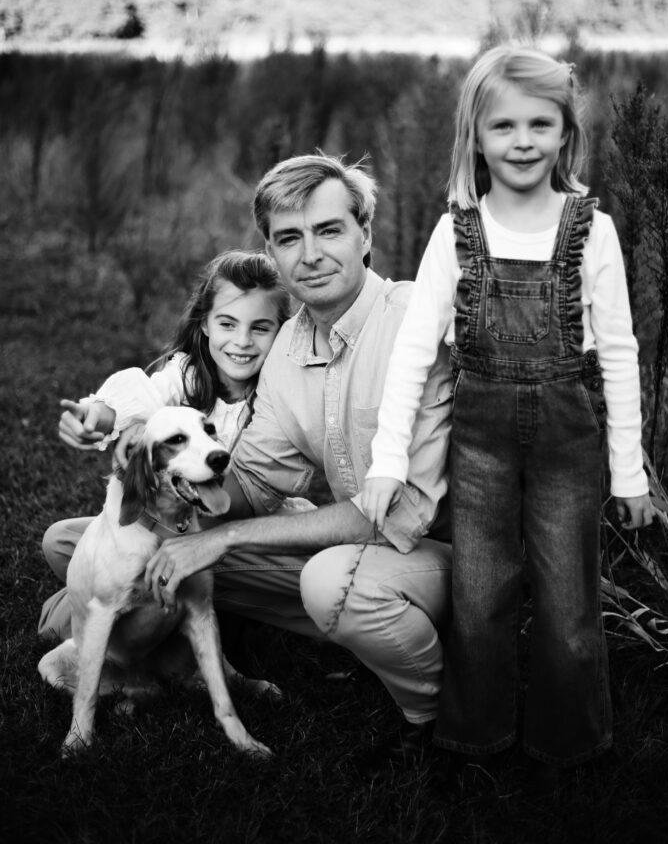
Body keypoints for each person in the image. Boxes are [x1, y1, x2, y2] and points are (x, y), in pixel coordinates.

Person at [40, 154, 454, 771]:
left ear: (366, 234)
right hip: (342, 542)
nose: (310, 253)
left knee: (326, 582)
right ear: (274, 252)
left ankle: (441, 715)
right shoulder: (289, 347)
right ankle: (138, 620)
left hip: (436, 551)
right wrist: (165, 487)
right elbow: (254, 479)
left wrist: (220, 538)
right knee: (92, 541)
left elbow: (397, 514)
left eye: (330, 230)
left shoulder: (414, 321)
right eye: (290, 238)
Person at [360, 45, 653, 773]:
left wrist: (629, 474)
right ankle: (474, 737)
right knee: (480, 593)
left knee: (566, 601)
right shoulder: (455, 231)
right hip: (481, 441)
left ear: (564, 135)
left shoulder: (593, 231)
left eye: (539, 124)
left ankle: (570, 743)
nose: (521, 141)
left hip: (567, 442)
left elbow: (617, 353)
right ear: (475, 139)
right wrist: (387, 462)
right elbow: (412, 354)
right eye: (502, 127)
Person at [40, 249, 292, 635]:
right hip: (175, 529)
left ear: (281, 330)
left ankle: (141, 602)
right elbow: (143, 397)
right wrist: (101, 413)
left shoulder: (279, 391)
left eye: (260, 328)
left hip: (246, 535)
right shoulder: (187, 377)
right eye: (227, 323)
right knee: (60, 540)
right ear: (205, 323)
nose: (242, 342)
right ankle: (146, 597)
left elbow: (249, 496)